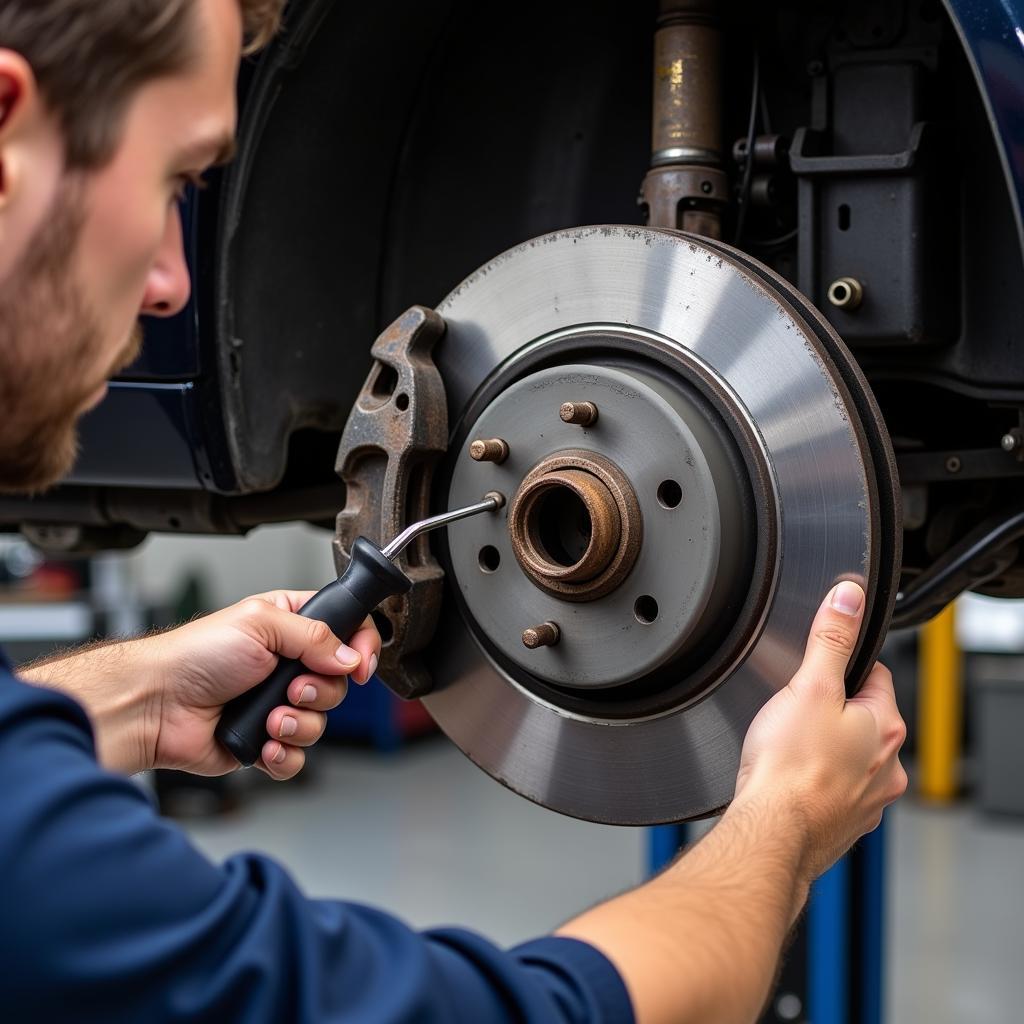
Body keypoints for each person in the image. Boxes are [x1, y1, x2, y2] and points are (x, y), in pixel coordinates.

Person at [0, 1, 907, 1021]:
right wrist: (784, 824)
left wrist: (136, 697)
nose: (172, 281)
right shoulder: (40, 877)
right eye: (174, 178)